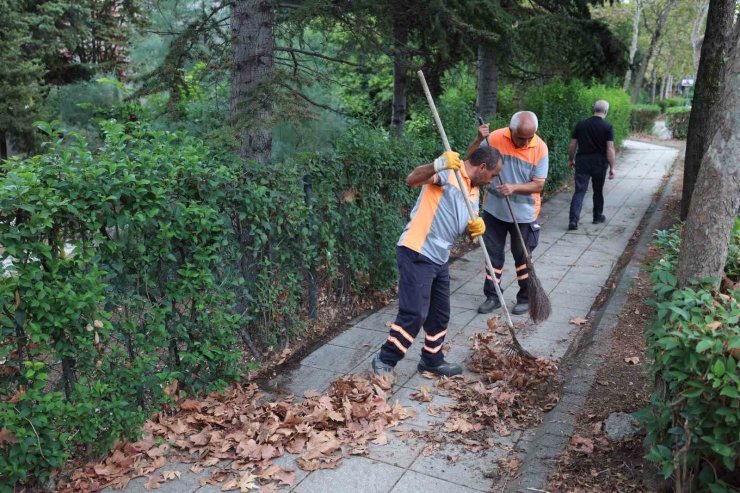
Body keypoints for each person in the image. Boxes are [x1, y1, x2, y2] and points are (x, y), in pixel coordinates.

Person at [372, 146, 504, 378]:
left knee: (439, 314)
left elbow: (462, 225)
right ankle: (385, 359)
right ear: (482, 167)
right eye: (493, 175)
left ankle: (431, 360)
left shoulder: (473, 190)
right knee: (414, 313)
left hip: (440, 258)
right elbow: (412, 179)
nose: (492, 181)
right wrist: (437, 165)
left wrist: (474, 229)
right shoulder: (449, 172)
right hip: (418, 251)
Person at [466, 111, 549, 316]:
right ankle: (493, 296)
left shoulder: (540, 148)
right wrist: (478, 139)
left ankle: (526, 297)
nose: (526, 141)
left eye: (530, 136)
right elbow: (470, 161)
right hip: (494, 210)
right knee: (492, 255)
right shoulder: (494, 138)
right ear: (511, 130)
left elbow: (538, 185)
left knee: (522, 256)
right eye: (521, 137)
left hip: (524, 214)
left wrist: (514, 187)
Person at [567, 100, 616, 230]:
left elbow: (572, 145)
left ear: (593, 109)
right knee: (598, 190)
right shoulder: (607, 127)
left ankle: (573, 220)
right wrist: (612, 167)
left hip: (583, 161)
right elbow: (610, 149)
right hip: (600, 162)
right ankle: (597, 216)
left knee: (579, 191)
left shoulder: (581, 125)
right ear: (606, 111)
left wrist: (571, 159)